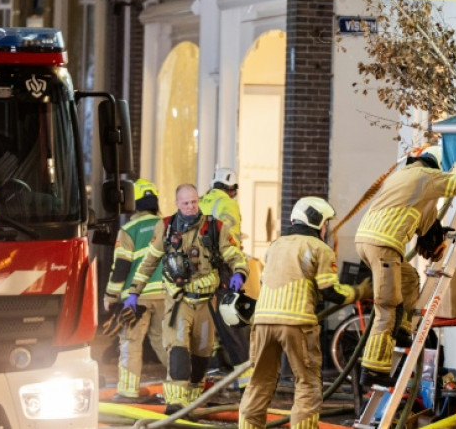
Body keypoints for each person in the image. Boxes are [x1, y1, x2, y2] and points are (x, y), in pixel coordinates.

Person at [355, 144, 456, 387]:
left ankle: (404, 330)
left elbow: (425, 222)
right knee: (387, 308)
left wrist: (438, 233)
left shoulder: (405, 177)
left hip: (367, 240)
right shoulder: (427, 176)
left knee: (409, 278)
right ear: (436, 166)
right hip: (384, 244)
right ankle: (373, 368)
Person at [238, 197, 371, 429]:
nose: (326, 228)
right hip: (297, 323)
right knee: (307, 384)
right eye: (325, 223)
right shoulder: (320, 248)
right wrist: (360, 291)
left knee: (258, 383)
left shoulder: (275, 245)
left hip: (262, 322)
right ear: (317, 221)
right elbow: (331, 292)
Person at [124, 183, 249, 414]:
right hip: (179, 300)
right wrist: (134, 292)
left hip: (206, 302)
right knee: (179, 348)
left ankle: (192, 401)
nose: (191, 207)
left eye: (193, 202)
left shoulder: (215, 227)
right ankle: (176, 402)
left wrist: (240, 273)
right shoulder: (167, 226)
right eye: (185, 203)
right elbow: (150, 261)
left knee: (202, 352)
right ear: (177, 204)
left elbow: (233, 254)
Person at [103, 178, 165, 403]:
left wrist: (110, 296)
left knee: (131, 342)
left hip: (134, 299)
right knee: (165, 342)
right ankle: (183, 389)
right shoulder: (165, 225)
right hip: (164, 295)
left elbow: (120, 267)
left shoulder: (128, 230)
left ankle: (128, 392)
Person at [200, 167, 253, 387]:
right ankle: (245, 381)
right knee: (232, 322)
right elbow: (229, 238)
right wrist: (238, 269)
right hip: (223, 267)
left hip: (200, 269)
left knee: (204, 319)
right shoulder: (228, 204)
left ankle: (212, 366)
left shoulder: (201, 201)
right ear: (232, 188)